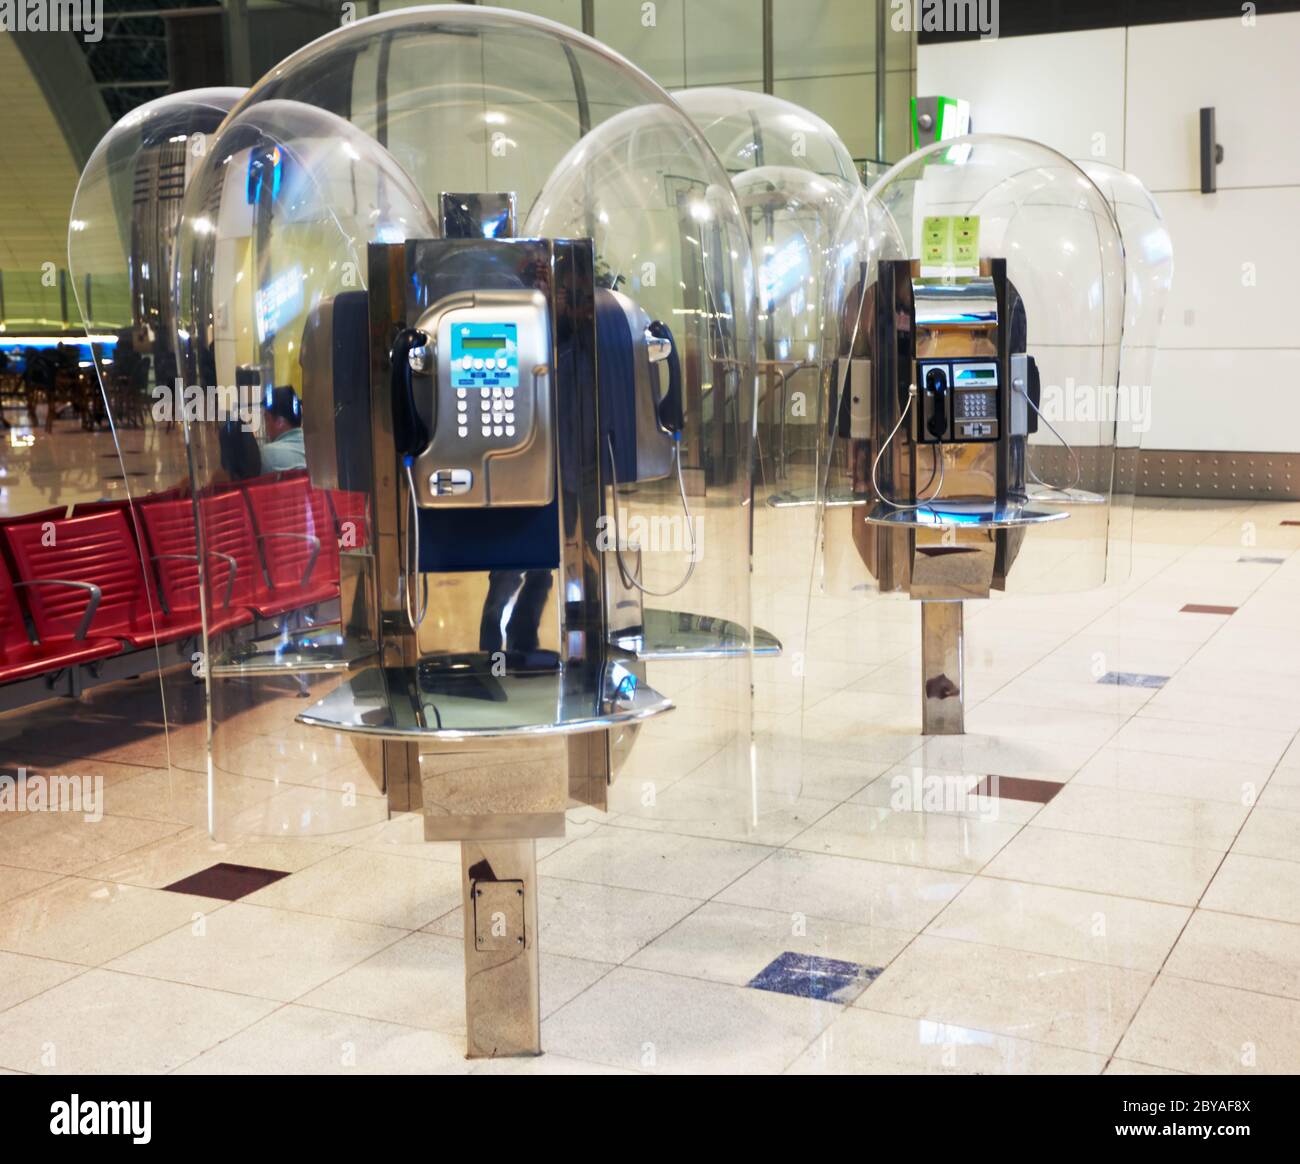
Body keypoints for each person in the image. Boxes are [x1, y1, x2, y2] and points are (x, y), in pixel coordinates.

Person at [259, 385, 306, 471]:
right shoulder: (318, 449)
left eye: (266, 419)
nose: (266, 428)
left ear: (280, 422)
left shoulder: (266, 455)